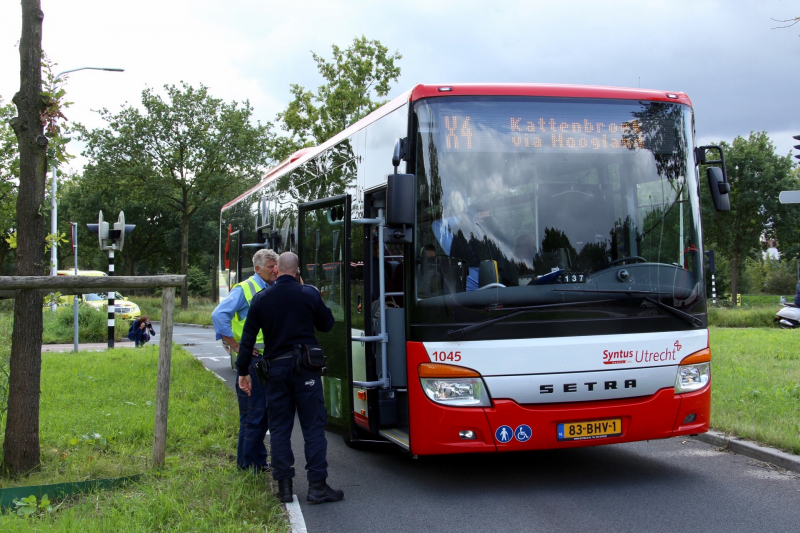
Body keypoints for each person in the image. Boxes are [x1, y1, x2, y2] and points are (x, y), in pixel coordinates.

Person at [238, 251, 343, 505]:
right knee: (313, 428)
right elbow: (327, 323)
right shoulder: (308, 293)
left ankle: (284, 488)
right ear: (297, 271)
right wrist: (310, 292)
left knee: (280, 429)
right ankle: (317, 486)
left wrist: (243, 372)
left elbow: (247, 341)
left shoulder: (261, 299)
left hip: (275, 372)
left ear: (277, 270)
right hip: (306, 371)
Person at [211, 248, 279, 474]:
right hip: (252, 362)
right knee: (253, 414)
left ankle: (257, 462)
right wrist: (236, 346)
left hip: (265, 360)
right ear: (257, 268)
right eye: (270, 267)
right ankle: (248, 467)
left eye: (276, 266)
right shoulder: (245, 289)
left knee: (261, 414)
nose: (274, 270)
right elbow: (219, 315)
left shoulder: (271, 288)